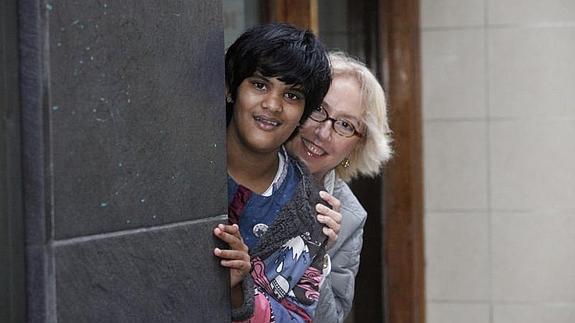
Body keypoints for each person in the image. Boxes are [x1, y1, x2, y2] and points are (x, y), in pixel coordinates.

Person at [213, 23, 338, 322]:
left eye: (292, 95)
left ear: (303, 115)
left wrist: (241, 290)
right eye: (259, 84)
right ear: (232, 89)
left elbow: (298, 318)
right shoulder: (182, 165)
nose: (272, 104)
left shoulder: (311, 213)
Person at [286, 51, 393, 323]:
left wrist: (315, 254)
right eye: (319, 109)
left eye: (345, 125)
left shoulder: (350, 216)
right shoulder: (249, 163)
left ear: (358, 143)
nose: (323, 133)